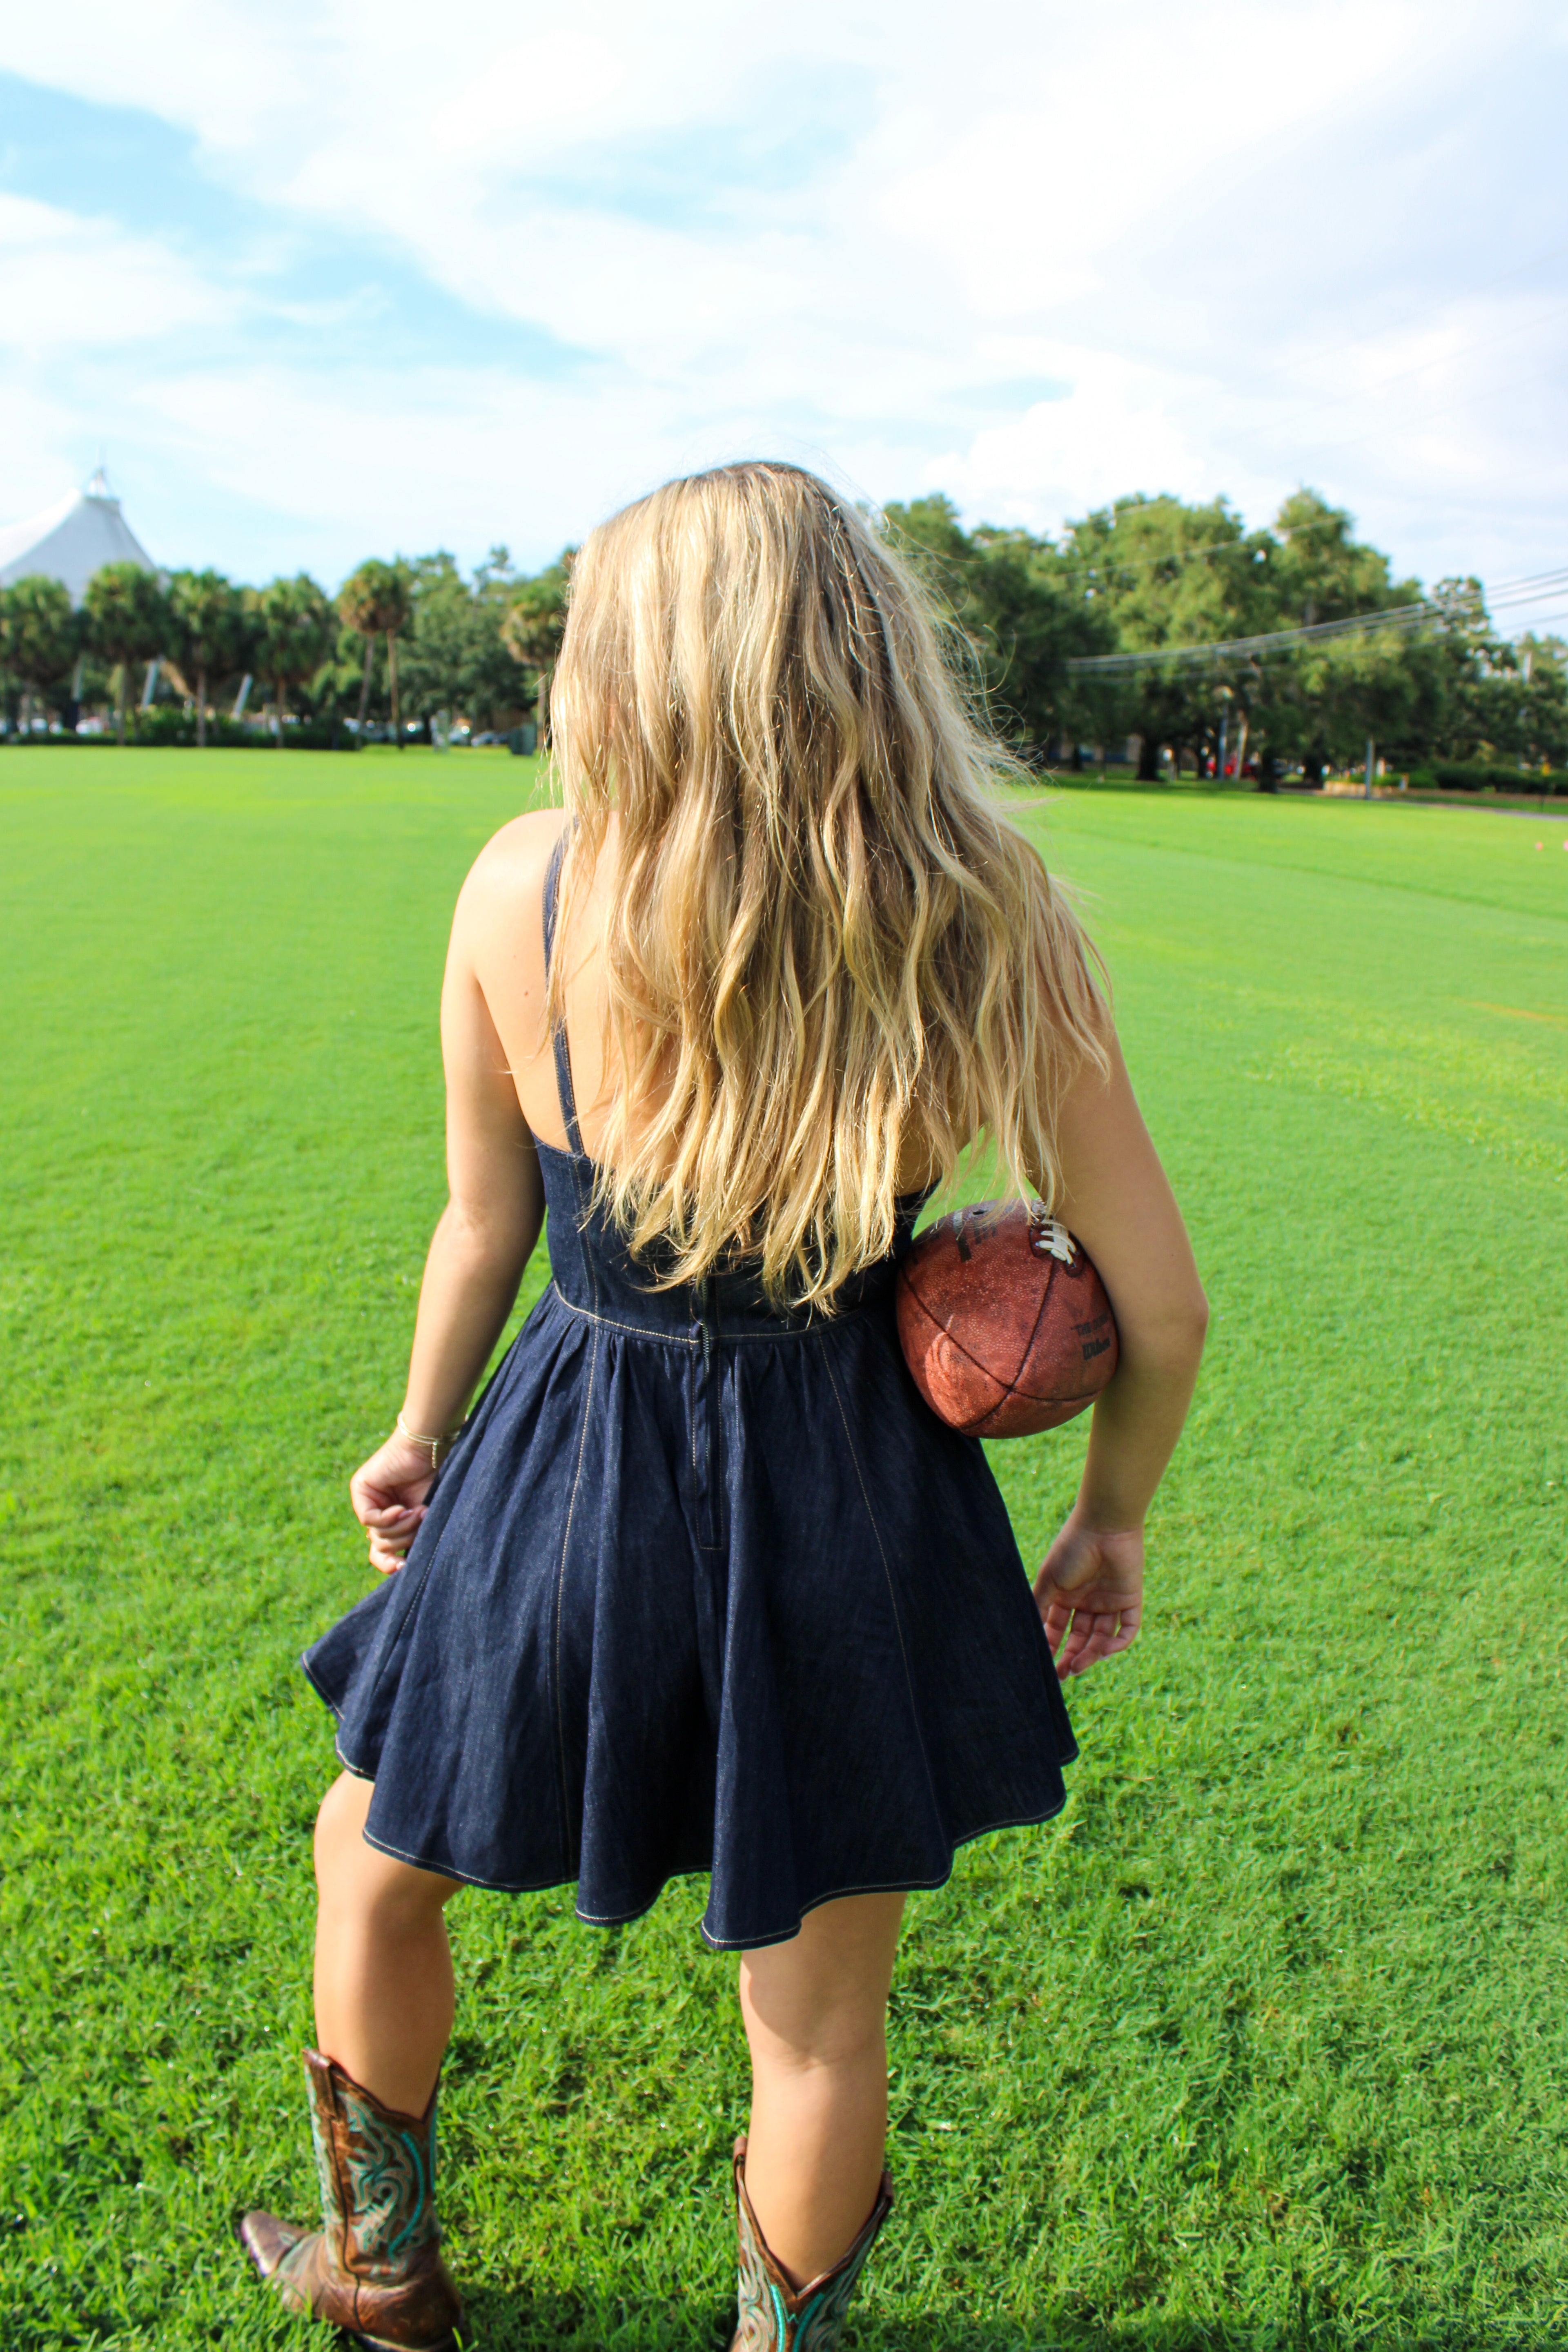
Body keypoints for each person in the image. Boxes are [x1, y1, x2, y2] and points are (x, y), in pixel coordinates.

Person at [237, 462, 1207, 2352]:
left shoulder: (520, 884)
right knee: (821, 2019)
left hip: (572, 1461)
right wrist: (1111, 1520)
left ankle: (377, 2276)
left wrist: (421, 1428)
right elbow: (1159, 1307)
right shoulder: (989, 919)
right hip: (858, 1491)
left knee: (371, 1855)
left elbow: (483, 1217)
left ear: (624, 667)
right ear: (869, 648)